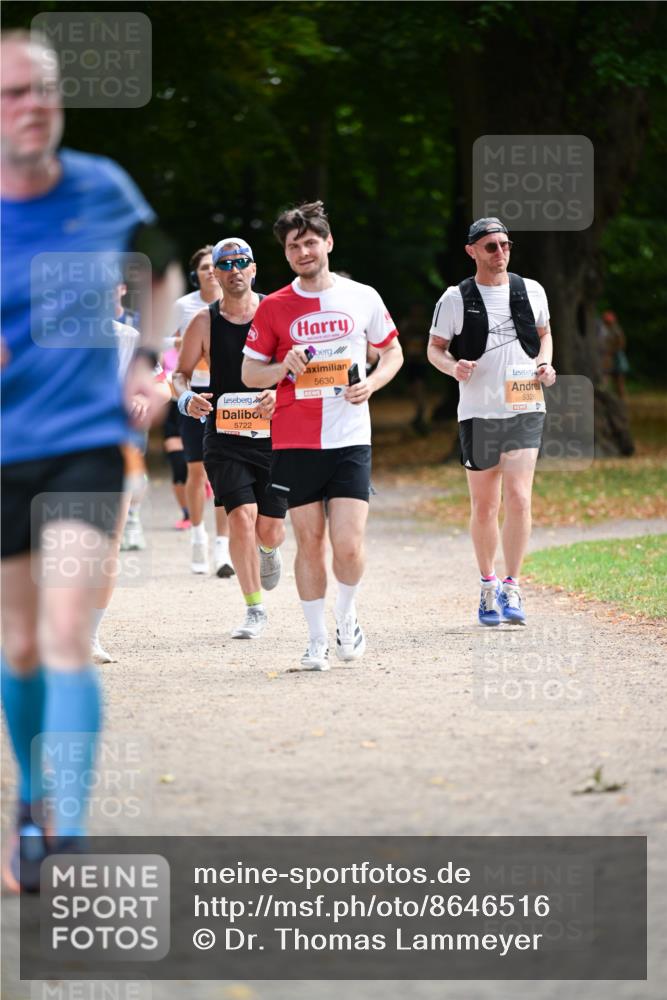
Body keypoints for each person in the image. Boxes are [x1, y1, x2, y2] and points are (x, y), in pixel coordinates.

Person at [0, 29, 177, 890]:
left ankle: (65, 833)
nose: (33, 105)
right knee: (20, 644)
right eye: (12, 93)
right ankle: (31, 801)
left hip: (82, 444)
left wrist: (146, 360)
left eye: (44, 88)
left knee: (68, 630)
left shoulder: (103, 185)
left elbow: (164, 270)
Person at [241, 201, 403, 670]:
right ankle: (315, 640)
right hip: (294, 439)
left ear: (328, 243)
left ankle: (346, 617)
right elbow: (250, 373)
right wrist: (281, 367)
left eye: (311, 242)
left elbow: (392, 351)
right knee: (309, 542)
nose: (303, 252)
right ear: (286, 254)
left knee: (348, 544)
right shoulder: (274, 306)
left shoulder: (362, 296)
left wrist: (373, 383)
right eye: (294, 246)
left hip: (350, 436)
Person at [427, 217, 556, 626]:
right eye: (491, 246)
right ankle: (488, 585)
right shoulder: (455, 297)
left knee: (519, 497)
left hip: (524, 405)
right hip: (478, 411)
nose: (500, 252)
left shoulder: (531, 289)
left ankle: (513, 585)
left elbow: (544, 333)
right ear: (472, 251)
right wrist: (452, 367)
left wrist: (545, 363)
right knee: (485, 505)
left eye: (505, 244)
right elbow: (435, 348)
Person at [173, 237, 285, 637]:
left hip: (275, 435)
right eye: (225, 264)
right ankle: (254, 609)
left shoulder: (277, 311)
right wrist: (186, 399)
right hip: (224, 436)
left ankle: (268, 549)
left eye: (242, 262)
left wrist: (279, 392)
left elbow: (298, 368)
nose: (234, 270)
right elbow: (180, 373)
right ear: (214, 275)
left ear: (254, 268)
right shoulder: (203, 322)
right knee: (240, 516)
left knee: (269, 529)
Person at [172, 247, 233, 576]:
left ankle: (223, 548)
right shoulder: (183, 307)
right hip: (194, 394)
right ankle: (198, 536)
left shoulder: (235, 304)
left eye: (215, 265)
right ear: (195, 274)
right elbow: (160, 347)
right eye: (205, 266)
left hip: (228, 394)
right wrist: (181, 346)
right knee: (196, 470)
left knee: (223, 471)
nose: (211, 270)